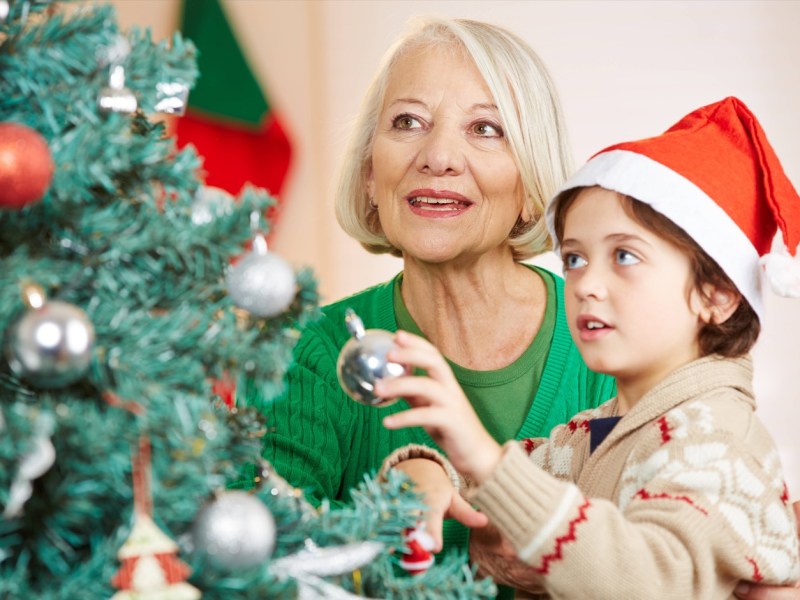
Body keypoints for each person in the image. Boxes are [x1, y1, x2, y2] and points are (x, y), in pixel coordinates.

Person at [378, 96, 800, 598]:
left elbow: (645, 581)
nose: (585, 284)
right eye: (575, 259)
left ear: (718, 294)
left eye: (623, 255)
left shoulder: (716, 440)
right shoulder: (604, 429)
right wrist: (425, 468)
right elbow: (512, 490)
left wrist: (488, 463)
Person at [260, 16, 614, 598]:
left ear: (530, 185)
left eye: (486, 129)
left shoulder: (609, 340)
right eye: (408, 122)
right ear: (372, 174)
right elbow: (257, 567)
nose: (439, 155)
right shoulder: (308, 352)